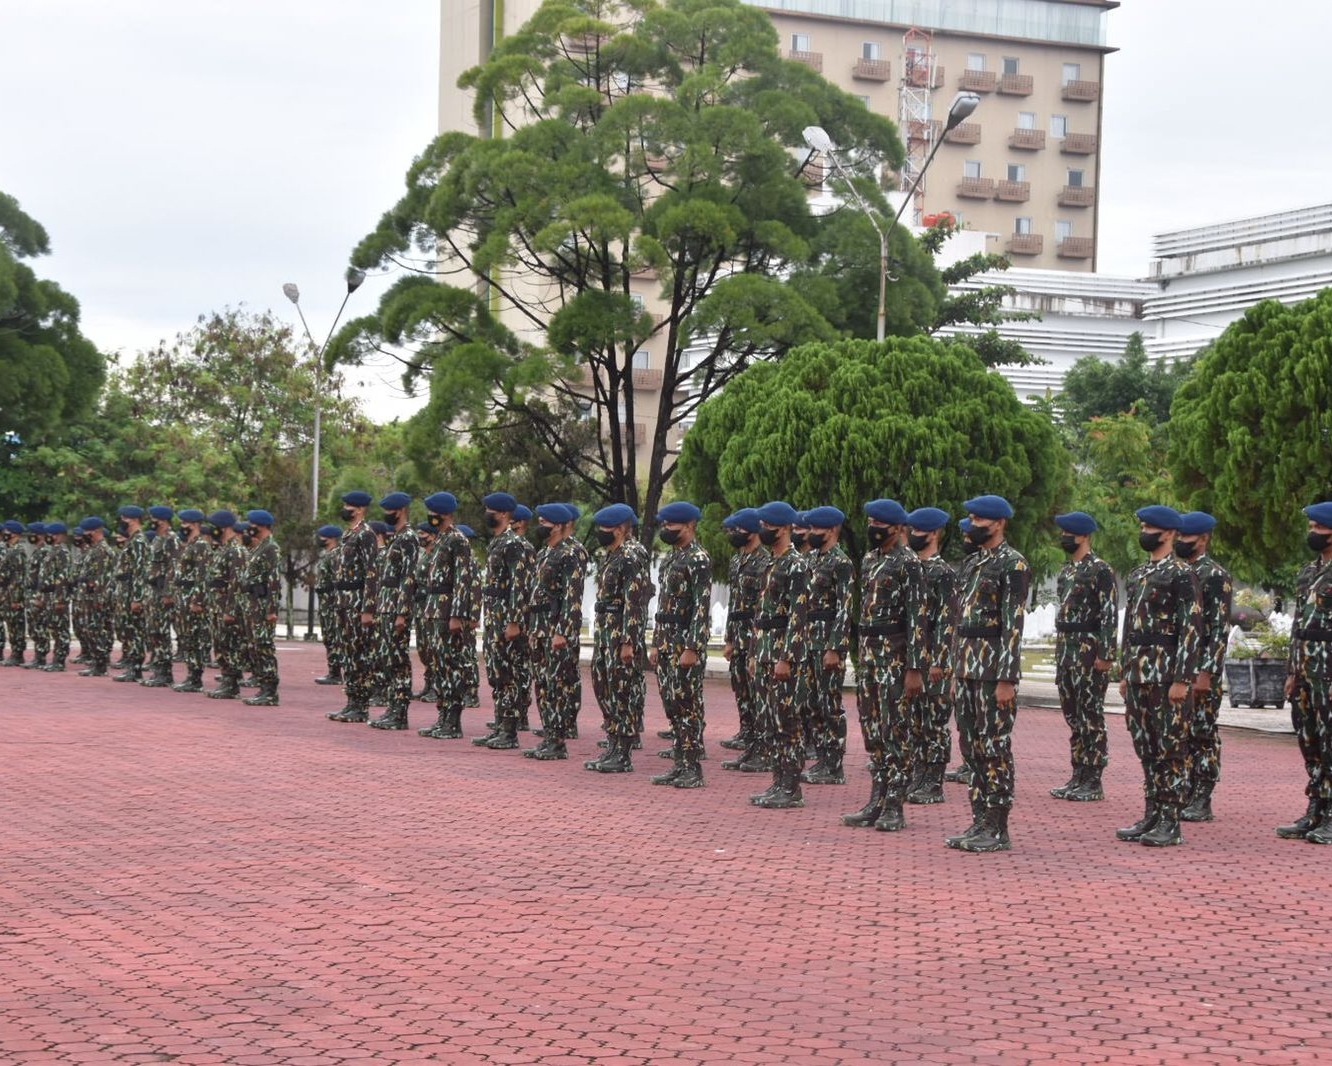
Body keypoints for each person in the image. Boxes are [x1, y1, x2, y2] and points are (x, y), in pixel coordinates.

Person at [945, 495, 1031, 853]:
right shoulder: (972, 564)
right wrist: (954, 670)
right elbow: (959, 623)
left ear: (999, 523)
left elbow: (1013, 624)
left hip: (993, 669)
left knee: (994, 746)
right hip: (967, 668)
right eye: (971, 517)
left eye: (979, 519)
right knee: (972, 747)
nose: (972, 524)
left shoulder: (1013, 565)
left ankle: (998, 825)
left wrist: (1007, 678)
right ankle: (979, 819)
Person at [1115, 505, 1202, 848]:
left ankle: (1170, 820)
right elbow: (1129, 628)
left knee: (1170, 748)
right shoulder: (1138, 574)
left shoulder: (1181, 574)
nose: (1144, 531)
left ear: (1168, 533)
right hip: (1138, 673)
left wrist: (1183, 678)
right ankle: (1152, 812)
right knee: (1146, 746)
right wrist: (1125, 671)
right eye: (1142, 526)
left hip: (1167, 676)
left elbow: (1191, 629)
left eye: (1150, 527)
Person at [843, 499, 925, 830]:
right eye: (871, 522)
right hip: (869, 657)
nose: (873, 529)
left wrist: (914, 668)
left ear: (896, 528)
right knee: (872, 730)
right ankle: (876, 798)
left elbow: (917, 619)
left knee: (896, 732)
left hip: (895, 657)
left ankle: (895, 805)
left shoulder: (909, 564)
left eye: (879, 524)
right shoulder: (869, 560)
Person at [1049, 511, 1118, 803]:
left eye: (1071, 534)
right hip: (1066, 649)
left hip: (1089, 651)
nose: (1065, 538)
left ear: (1085, 536)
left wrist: (1106, 653)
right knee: (1073, 715)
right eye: (1064, 533)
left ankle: (1093, 778)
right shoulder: (1066, 571)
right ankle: (1078, 773)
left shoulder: (1100, 569)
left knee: (1091, 716)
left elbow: (1110, 613)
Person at [749, 500, 811, 810]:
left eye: (767, 526)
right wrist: (753, 652)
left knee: (787, 721)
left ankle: (791, 786)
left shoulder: (796, 564)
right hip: (763, 651)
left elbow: (798, 615)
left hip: (782, 653)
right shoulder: (769, 562)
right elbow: (760, 613)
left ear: (785, 528)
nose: (762, 531)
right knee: (769, 720)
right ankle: (778, 781)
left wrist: (787, 656)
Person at [1279, 500, 1332, 843]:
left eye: (1318, 528)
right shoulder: (1308, 572)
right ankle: (1317, 807)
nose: (1312, 534)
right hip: (1305, 670)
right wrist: (1291, 671)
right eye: (1311, 528)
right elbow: (1298, 625)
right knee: (1309, 740)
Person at [648, 501, 711, 788]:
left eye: (671, 525)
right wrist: (656, 643)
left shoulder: (698, 559)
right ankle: (679, 761)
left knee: (687, 704)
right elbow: (663, 605)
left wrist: (692, 647)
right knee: (672, 704)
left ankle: (692, 768)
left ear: (689, 526)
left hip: (685, 642)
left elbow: (701, 607)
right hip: (667, 642)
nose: (666, 529)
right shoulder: (672, 558)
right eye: (664, 525)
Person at [1176, 511, 1233, 822]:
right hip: (1176, 668)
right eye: (1180, 536)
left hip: (1200, 669)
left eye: (1188, 537)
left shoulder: (1215, 576)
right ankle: (1182, 789)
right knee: (1178, 733)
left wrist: (1206, 672)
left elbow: (1218, 628)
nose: (1182, 542)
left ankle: (1202, 796)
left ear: (1203, 539)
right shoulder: (1175, 571)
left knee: (1202, 732)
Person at [585, 504, 651, 774]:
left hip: (620, 633)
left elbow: (635, 602)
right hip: (605, 631)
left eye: (607, 528)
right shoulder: (612, 555)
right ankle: (613, 743)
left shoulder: (631, 556)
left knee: (622, 690)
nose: (602, 532)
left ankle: (623, 751)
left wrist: (629, 641)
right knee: (604, 687)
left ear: (622, 528)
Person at [472, 492, 535, 750]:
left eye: (491, 510)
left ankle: (509, 731)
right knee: (497, 674)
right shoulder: (498, 542)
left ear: (504, 514)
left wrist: (514, 621)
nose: (486, 513)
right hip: (495, 617)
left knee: (507, 674)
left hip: (506, 620)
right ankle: (500, 726)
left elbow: (520, 586)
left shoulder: (513, 544)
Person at [417, 492, 481, 741]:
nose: (430, 517)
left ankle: (453, 722)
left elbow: (463, 580)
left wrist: (458, 615)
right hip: (434, 610)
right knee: (439, 666)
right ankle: (442, 717)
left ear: (443, 513)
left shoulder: (457, 540)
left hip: (446, 613)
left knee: (451, 666)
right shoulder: (442, 539)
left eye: (433, 512)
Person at [525, 503, 587, 760]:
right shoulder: (545, 553)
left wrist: (562, 631)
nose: (541, 526)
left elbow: (572, 597)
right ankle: (549, 736)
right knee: (542, 685)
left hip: (556, 629)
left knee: (558, 685)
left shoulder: (572, 553)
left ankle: (558, 741)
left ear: (560, 525)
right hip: (539, 628)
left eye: (545, 523)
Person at [905, 507, 958, 805]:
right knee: (915, 722)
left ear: (934, 534)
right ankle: (918, 774)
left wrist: (940, 660)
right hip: (912, 658)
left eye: (920, 531)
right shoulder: (910, 569)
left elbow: (947, 619)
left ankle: (933, 781)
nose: (914, 536)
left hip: (934, 661)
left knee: (934, 724)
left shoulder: (943, 573)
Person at [801, 506, 853, 786]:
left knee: (829, 703)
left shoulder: (841, 563)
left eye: (816, 529)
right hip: (808, 641)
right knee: (811, 703)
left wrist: (836, 647)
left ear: (831, 530)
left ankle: (834, 763)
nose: (811, 534)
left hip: (827, 643)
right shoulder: (810, 559)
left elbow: (845, 607)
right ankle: (822, 758)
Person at [364, 492, 419, 729]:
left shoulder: (408, 538)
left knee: (398, 661)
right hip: (386, 606)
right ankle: (392, 708)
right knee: (387, 659)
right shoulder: (396, 538)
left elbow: (409, 577)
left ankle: (400, 713)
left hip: (396, 607)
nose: (387, 515)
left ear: (401, 511)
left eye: (390, 511)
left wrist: (402, 612)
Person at [719, 509, 767, 759]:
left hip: (754, 632)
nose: (734, 535)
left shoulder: (764, 561)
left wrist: (757, 643)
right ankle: (747, 732)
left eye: (738, 530)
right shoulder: (737, 560)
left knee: (757, 688)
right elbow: (733, 603)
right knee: (740, 686)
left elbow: (763, 606)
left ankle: (761, 743)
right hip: (738, 632)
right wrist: (728, 638)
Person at [328, 491, 379, 723]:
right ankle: (352, 702)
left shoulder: (366, 534)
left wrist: (368, 608)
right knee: (348, 654)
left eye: (349, 506)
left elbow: (371, 571)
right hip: (344, 601)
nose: (345, 509)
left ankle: (361, 706)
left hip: (357, 601)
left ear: (360, 509)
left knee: (359, 655)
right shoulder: (349, 534)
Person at [239, 509, 281, 707]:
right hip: (253, 604)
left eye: (252, 524)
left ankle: (270, 691)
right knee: (255, 645)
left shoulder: (271, 548)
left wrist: (272, 609)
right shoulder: (259, 548)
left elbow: (274, 580)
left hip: (263, 605)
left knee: (264, 646)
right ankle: (263, 686)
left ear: (262, 526)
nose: (250, 528)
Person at [204, 510, 248, 700]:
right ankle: (227, 679)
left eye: (215, 527)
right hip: (217, 604)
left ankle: (231, 683)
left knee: (229, 644)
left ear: (223, 527)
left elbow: (236, 583)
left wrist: (230, 609)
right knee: (220, 643)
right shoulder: (223, 549)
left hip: (226, 606)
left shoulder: (236, 551)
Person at [171, 509, 213, 693]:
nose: (183, 527)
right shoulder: (187, 545)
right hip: (182, 597)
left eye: (186, 523)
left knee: (195, 638)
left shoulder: (201, 546)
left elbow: (203, 575)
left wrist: (198, 600)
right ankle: (191, 675)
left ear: (195, 524)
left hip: (192, 599)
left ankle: (195, 678)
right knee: (187, 637)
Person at [140, 505, 181, 688]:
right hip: (152, 592)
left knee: (162, 632)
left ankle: (164, 672)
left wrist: (168, 593)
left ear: (162, 520)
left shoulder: (171, 540)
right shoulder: (157, 539)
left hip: (161, 593)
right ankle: (158, 668)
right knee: (154, 632)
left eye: (154, 518)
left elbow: (174, 568)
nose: (152, 522)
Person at [112, 506, 151, 682]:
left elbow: (140, 571)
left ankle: (135, 667)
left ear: (134, 520)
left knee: (134, 630)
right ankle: (131, 665)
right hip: (125, 592)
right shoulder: (132, 540)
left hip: (131, 593)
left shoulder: (139, 541)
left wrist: (138, 597)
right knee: (126, 630)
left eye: (124, 518)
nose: (122, 521)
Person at [74, 518, 116, 677]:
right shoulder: (94, 549)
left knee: (96, 629)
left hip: (97, 597)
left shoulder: (102, 550)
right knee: (91, 629)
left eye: (87, 532)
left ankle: (100, 664)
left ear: (96, 531)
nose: (84, 535)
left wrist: (99, 599)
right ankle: (97, 661)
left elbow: (102, 578)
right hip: (88, 596)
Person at [38, 522, 72, 671]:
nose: (49, 537)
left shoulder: (62, 552)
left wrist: (60, 599)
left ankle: (59, 661)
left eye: (51, 535)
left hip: (57, 596)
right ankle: (56, 659)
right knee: (54, 628)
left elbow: (63, 577)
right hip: (48, 596)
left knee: (60, 630)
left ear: (59, 535)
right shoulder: (53, 551)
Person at [0, 519, 27, 666]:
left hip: (13, 594)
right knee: (11, 624)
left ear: (14, 534)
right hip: (7, 593)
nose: (5, 535)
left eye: (7, 533)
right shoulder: (10, 550)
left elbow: (18, 577)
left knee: (16, 625)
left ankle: (18, 654)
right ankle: (15, 654)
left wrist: (16, 598)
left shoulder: (17, 551)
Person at [23, 522, 48, 669]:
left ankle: (41, 657)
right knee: (33, 627)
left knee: (40, 626)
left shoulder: (44, 552)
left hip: (37, 593)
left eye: (33, 533)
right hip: (31, 593)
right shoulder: (37, 551)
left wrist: (39, 595)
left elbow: (43, 576)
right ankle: (38, 656)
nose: (31, 536)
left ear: (39, 535)